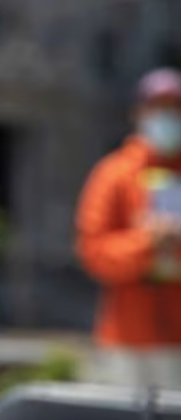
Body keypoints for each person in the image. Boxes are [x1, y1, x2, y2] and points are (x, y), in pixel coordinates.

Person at [77, 67, 181, 389]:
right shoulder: (114, 173)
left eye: (174, 109)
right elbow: (94, 252)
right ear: (139, 113)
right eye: (158, 108)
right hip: (127, 340)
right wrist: (148, 242)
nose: (167, 117)